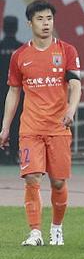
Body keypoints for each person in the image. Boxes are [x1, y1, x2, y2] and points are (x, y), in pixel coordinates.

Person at [0, 0, 82, 246]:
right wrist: (5, 128)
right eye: (40, 19)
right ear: (30, 23)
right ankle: (35, 232)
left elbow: (76, 84)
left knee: (58, 182)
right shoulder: (19, 56)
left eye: (49, 19)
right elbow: (14, 92)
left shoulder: (67, 51)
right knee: (32, 178)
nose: (46, 24)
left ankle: (56, 228)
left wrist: (71, 109)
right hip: (31, 128)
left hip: (58, 127)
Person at [0, 16, 24, 165]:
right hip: (17, 92)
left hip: (1, 92)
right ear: (16, 28)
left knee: (2, 122)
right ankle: (14, 153)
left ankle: (1, 155)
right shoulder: (22, 48)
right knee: (16, 123)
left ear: (3, 27)